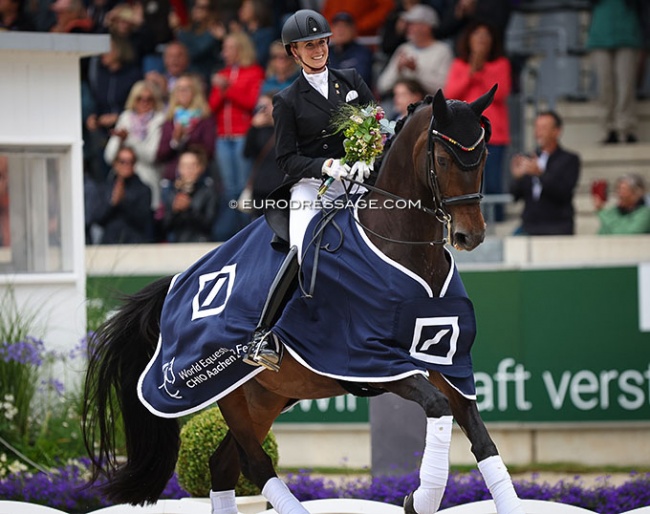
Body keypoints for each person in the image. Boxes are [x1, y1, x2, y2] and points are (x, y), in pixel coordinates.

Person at [243, 9, 375, 371]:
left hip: (356, 180)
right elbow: (285, 159)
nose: (318, 50)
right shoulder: (287, 100)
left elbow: (375, 128)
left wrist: (368, 156)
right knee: (302, 249)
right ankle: (263, 335)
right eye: (309, 45)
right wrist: (323, 166)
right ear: (294, 52)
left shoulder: (350, 80)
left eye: (321, 42)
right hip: (312, 187)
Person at [444, 20, 511, 221]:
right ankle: (470, 220)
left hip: (494, 134)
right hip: (464, 136)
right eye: (477, 35)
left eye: (486, 35)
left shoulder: (501, 64)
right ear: (468, 39)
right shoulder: (459, 65)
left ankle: (497, 221)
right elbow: (450, 94)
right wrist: (471, 73)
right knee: (468, 181)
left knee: (493, 181)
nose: (482, 39)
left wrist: (480, 71)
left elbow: (501, 92)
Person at [209, 31, 265, 241]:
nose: (224, 52)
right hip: (223, 136)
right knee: (229, 189)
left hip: (242, 135)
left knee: (243, 187)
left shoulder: (254, 72)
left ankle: (249, 235)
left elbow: (252, 103)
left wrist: (227, 89)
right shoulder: (222, 73)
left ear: (240, 49)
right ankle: (235, 237)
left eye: (228, 48)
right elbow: (212, 106)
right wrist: (221, 88)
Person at [509, 110, 581, 236]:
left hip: (558, 227)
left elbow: (563, 192)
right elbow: (515, 196)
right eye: (536, 128)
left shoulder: (569, 159)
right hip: (530, 226)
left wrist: (541, 174)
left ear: (557, 131)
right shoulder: (530, 158)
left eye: (543, 128)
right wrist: (517, 178)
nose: (538, 132)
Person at [103, 80, 166, 223]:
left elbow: (151, 155)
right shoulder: (125, 118)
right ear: (133, 99)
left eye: (148, 99)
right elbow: (109, 156)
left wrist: (129, 139)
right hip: (123, 182)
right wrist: (118, 140)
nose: (144, 102)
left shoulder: (159, 120)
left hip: (147, 182)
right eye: (139, 99)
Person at [587, 0, 644, 144]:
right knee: (605, 86)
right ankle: (609, 128)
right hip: (600, 36)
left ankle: (625, 129)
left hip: (628, 35)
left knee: (626, 85)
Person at [376, 4, 453, 98]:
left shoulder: (443, 51)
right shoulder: (404, 49)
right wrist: (398, 70)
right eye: (408, 25)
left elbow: (444, 89)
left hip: (430, 105)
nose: (408, 28)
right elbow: (382, 86)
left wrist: (416, 70)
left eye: (413, 24)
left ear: (427, 27)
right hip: (400, 104)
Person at [156, 73, 215, 183]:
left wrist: (186, 139)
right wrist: (175, 141)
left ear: (195, 92)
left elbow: (209, 151)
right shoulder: (169, 120)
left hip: (198, 179)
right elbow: (160, 154)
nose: (182, 93)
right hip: (173, 178)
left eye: (186, 89)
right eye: (179, 89)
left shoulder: (205, 119)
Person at [92, 146, 153, 244]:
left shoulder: (143, 189)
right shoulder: (105, 187)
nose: (126, 165)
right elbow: (97, 218)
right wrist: (112, 203)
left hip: (134, 244)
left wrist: (123, 201)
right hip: (109, 244)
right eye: (122, 161)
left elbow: (143, 220)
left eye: (130, 161)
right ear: (115, 164)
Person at [241, 92, 286, 219]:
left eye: (266, 106)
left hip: (280, 185)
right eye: (260, 107)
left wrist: (277, 121)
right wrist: (253, 128)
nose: (263, 111)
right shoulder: (258, 130)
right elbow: (246, 153)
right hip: (260, 186)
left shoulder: (286, 127)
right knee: (258, 223)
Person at [161, 146, 217, 242]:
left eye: (192, 166)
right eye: (183, 166)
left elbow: (209, 225)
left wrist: (189, 208)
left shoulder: (208, 192)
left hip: (201, 244)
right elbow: (164, 227)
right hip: (176, 246)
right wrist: (175, 212)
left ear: (201, 167)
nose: (188, 170)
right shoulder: (172, 192)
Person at [174, 0, 224, 87]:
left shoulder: (215, 30)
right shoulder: (186, 30)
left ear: (210, 11)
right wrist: (212, 37)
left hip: (207, 74)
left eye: (203, 7)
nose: (198, 10)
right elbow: (188, 52)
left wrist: (222, 38)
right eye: (196, 6)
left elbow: (197, 51)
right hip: (187, 73)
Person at [328, 11, 374, 88]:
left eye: (345, 26)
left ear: (353, 30)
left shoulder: (363, 52)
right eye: (337, 26)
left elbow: (360, 79)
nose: (340, 31)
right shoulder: (325, 53)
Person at [145, 40, 191, 105]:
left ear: (187, 59)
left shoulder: (195, 82)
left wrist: (165, 91)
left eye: (179, 56)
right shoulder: (157, 80)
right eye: (171, 56)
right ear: (165, 59)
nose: (175, 60)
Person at [322, 0, 395, 37]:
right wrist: (331, 29)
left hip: (363, 41)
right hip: (333, 41)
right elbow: (327, 11)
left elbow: (386, 7)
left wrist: (359, 26)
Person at [237, 0, 276, 70]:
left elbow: (260, 58)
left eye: (245, 7)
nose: (241, 11)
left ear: (256, 9)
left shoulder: (266, 34)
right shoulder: (242, 32)